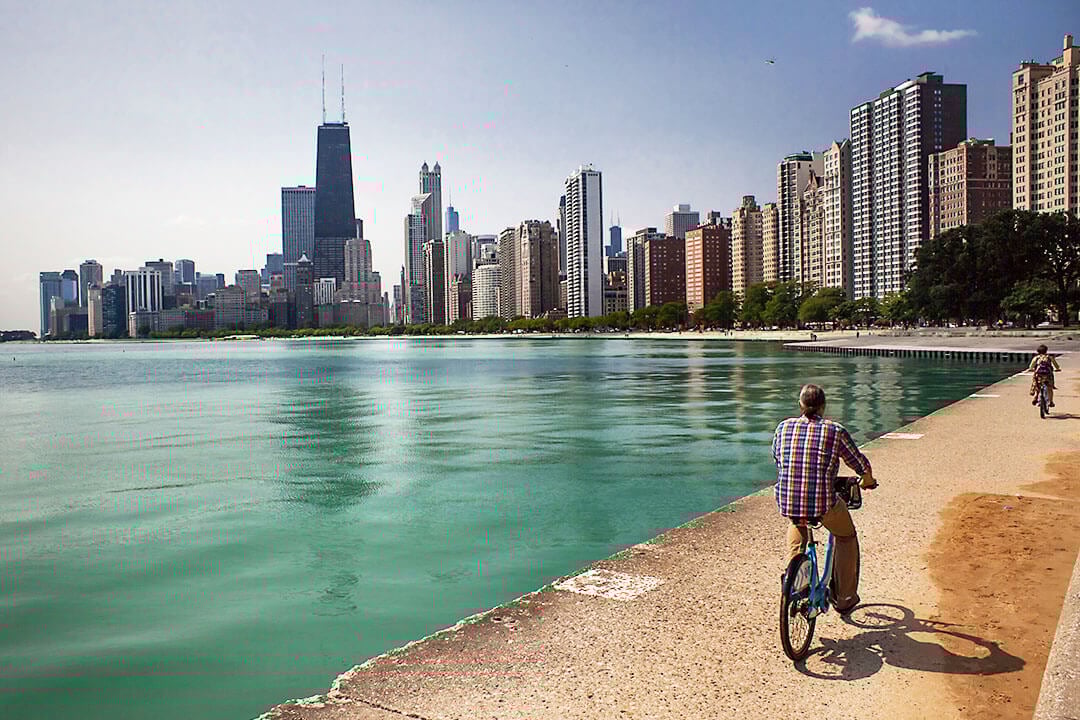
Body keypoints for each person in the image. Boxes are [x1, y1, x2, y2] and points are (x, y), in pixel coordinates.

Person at [773, 384, 877, 613]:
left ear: (800, 405)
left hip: (787, 499)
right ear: (823, 406)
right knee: (846, 536)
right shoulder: (834, 430)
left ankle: (794, 581)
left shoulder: (783, 427)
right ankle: (845, 596)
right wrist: (867, 480)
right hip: (822, 502)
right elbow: (858, 463)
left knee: (797, 521)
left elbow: (778, 458)